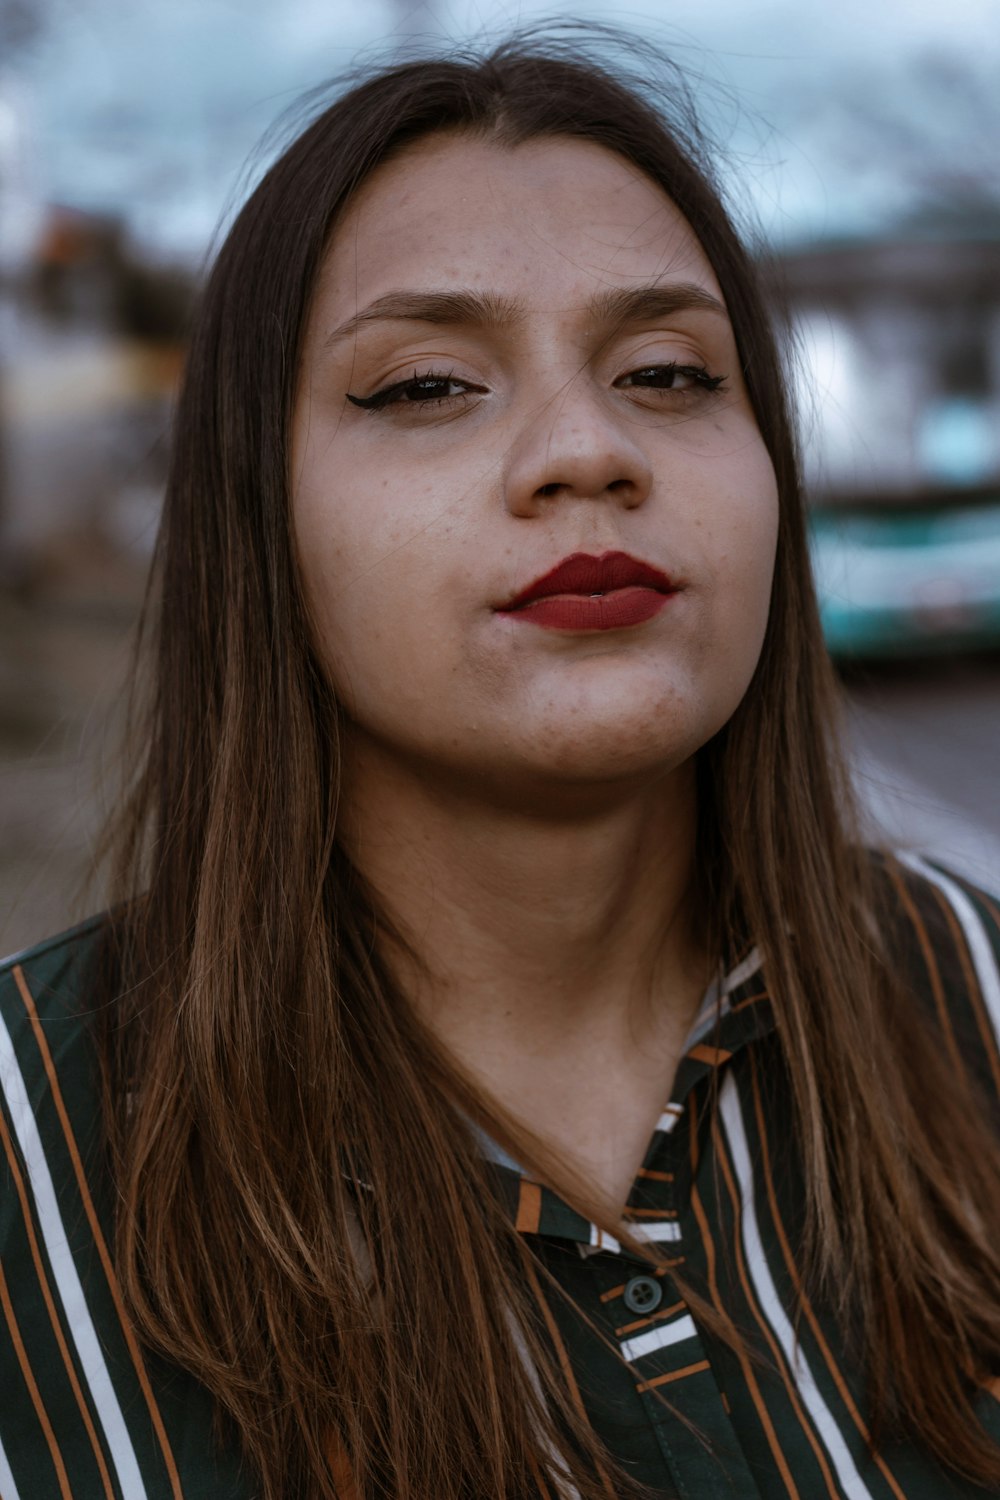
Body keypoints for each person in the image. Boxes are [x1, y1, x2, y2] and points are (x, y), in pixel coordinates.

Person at [2, 27, 999, 1500]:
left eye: (669, 372)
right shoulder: (31, 1158)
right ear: (249, 519)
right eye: (423, 387)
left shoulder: (968, 984)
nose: (587, 449)